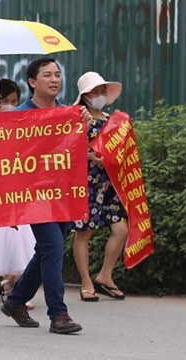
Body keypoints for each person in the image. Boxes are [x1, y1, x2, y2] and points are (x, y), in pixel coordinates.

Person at [1, 57, 89, 335]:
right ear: (32, 82)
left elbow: (75, 151)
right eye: (47, 75)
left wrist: (83, 124)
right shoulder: (19, 115)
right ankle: (58, 313)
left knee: (46, 251)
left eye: (57, 75)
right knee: (51, 247)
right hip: (33, 195)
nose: (54, 80)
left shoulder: (68, 113)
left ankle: (15, 301)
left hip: (62, 193)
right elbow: (7, 161)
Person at [71, 71, 128, 302]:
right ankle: (85, 281)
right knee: (85, 232)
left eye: (102, 91)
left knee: (121, 229)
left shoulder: (109, 119)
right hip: (86, 184)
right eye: (94, 91)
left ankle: (105, 275)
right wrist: (90, 157)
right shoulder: (76, 117)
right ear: (84, 95)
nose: (99, 95)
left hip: (109, 185)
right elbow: (68, 150)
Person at [0, 79, 36, 308]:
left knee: (23, 233)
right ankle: (2, 280)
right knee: (5, 231)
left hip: (21, 181)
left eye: (14, 101)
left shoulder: (22, 119)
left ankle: (11, 285)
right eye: (5, 101)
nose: (10, 105)